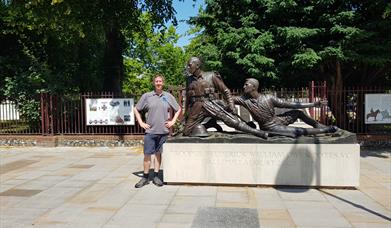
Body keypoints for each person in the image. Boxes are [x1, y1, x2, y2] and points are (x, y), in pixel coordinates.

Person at [183, 57, 273, 138]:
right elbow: (188, 97)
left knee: (232, 122)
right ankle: (210, 124)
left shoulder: (211, 76)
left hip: (211, 103)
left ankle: (258, 133)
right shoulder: (189, 79)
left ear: (197, 65)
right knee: (186, 132)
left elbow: (225, 91)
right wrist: (186, 114)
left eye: (189, 65)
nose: (188, 67)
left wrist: (231, 104)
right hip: (197, 107)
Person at [233, 78, 338, 137]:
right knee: (298, 131)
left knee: (298, 112)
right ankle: (327, 130)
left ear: (254, 87)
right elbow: (228, 97)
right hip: (270, 127)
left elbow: (290, 104)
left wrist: (313, 104)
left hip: (278, 120)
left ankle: (318, 126)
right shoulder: (244, 100)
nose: (244, 87)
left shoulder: (268, 98)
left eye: (246, 85)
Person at [133, 74, 181, 188]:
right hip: (150, 131)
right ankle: (144, 177)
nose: (158, 83)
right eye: (156, 81)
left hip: (163, 131)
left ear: (163, 83)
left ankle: (155, 176)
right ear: (153, 83)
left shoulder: (168, 96)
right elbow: (136, 109)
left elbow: (178, 109)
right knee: (147, 155)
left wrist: (173, 121)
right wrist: (141, 122)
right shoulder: (147, 96)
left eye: (160, 81)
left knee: (158, 154)